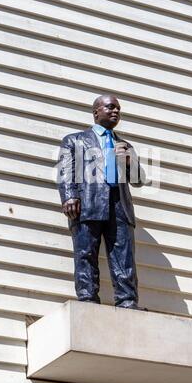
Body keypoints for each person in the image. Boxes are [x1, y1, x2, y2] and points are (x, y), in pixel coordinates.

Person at [57, 94, 149, 309]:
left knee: (124, 257)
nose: (115, 111)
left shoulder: (124, 145)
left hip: (119, 207)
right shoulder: (75, 140)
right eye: (110, 107)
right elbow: (65, 171)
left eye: (118, 108)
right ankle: (87, 299)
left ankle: (127, 302)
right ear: (96, 112)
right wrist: (70, 196)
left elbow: (139, 180)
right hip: (88, 204)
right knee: (85, 254)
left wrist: (128, 161)